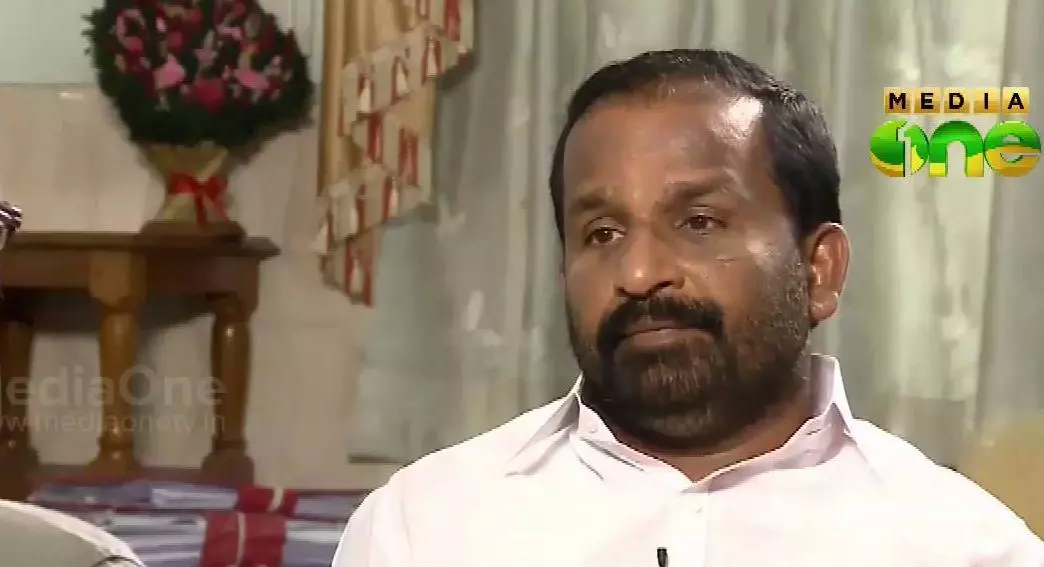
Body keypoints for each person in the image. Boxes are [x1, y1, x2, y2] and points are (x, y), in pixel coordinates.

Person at [332, 49, 1044, 566]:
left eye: (699, 222)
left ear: (819, 268)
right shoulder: (424, 527)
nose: (639, 273)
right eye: (602, 233)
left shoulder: (964, 547)